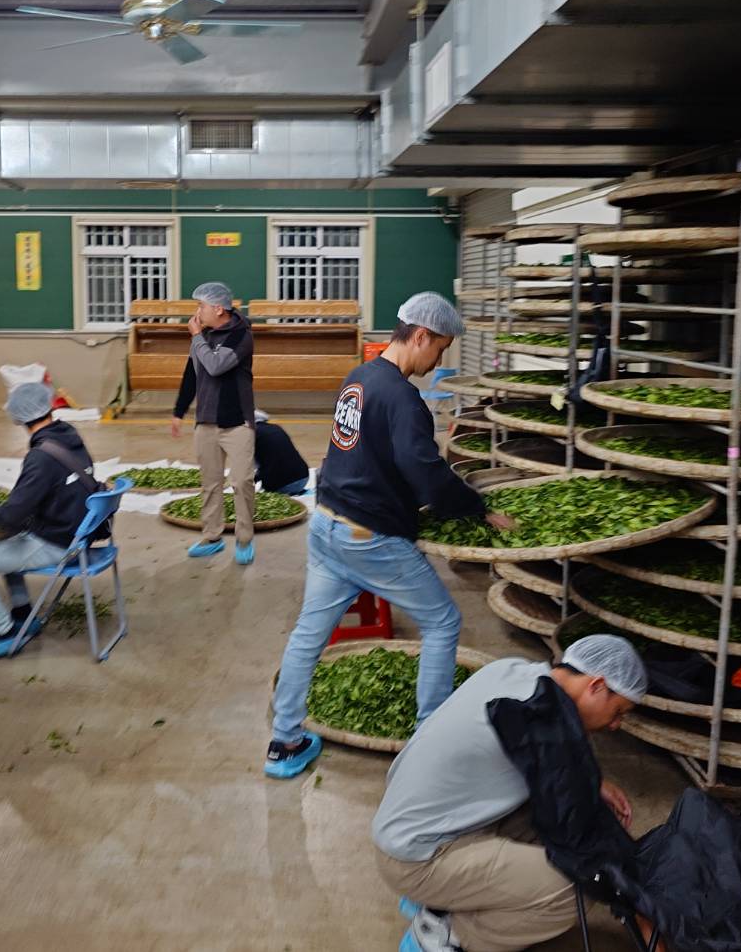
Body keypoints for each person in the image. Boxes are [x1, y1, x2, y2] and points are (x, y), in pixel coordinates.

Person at [265, 291, 514, 780]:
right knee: (442, 622)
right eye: (439, 348)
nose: (437, 360)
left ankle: (284, 740)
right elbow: (425, 473)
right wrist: (477, 508)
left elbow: (362, 452)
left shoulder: (359, 378)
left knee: (308, 635)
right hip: (368, 537)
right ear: (420, 336)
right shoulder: (403, 398)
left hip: (327, 523)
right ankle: (428, 744)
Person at [373, 636, 648, 952]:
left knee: (563, 824)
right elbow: (579, 826)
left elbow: (556, 767)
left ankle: (451, 895)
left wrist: (593, 783)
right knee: (579, 887)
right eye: (618, 712)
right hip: (416, 860)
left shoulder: (515, 672)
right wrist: (638, 901)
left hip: (406, 826)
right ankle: (444, 932)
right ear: (596, 686)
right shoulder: (540, 718)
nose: (616, 725)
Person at [0, 379, 101, 663]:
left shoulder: (40, 457)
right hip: (78, 533)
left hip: (56, 543)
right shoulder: (68, 436)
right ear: (49, 407)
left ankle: (3, 632)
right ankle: (22, 614)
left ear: (17, 417)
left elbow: (11, 517)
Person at [171, 281, 257, 565]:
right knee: (210, 483)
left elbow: (216, 366)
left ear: (218, 309)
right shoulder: (203, 335)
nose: (197, 312)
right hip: (206, 421)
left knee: (242, 481)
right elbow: (192, 373)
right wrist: (179, 411)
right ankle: (212, 537)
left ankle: (244, 538)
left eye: (201, 306)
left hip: (237, 423)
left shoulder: (241, 335)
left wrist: (197, 337)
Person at [253, 409, 309, 495]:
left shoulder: (250, 434)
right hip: (303, 478)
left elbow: (249, 468)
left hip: (284, 486)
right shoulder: (275, 427)